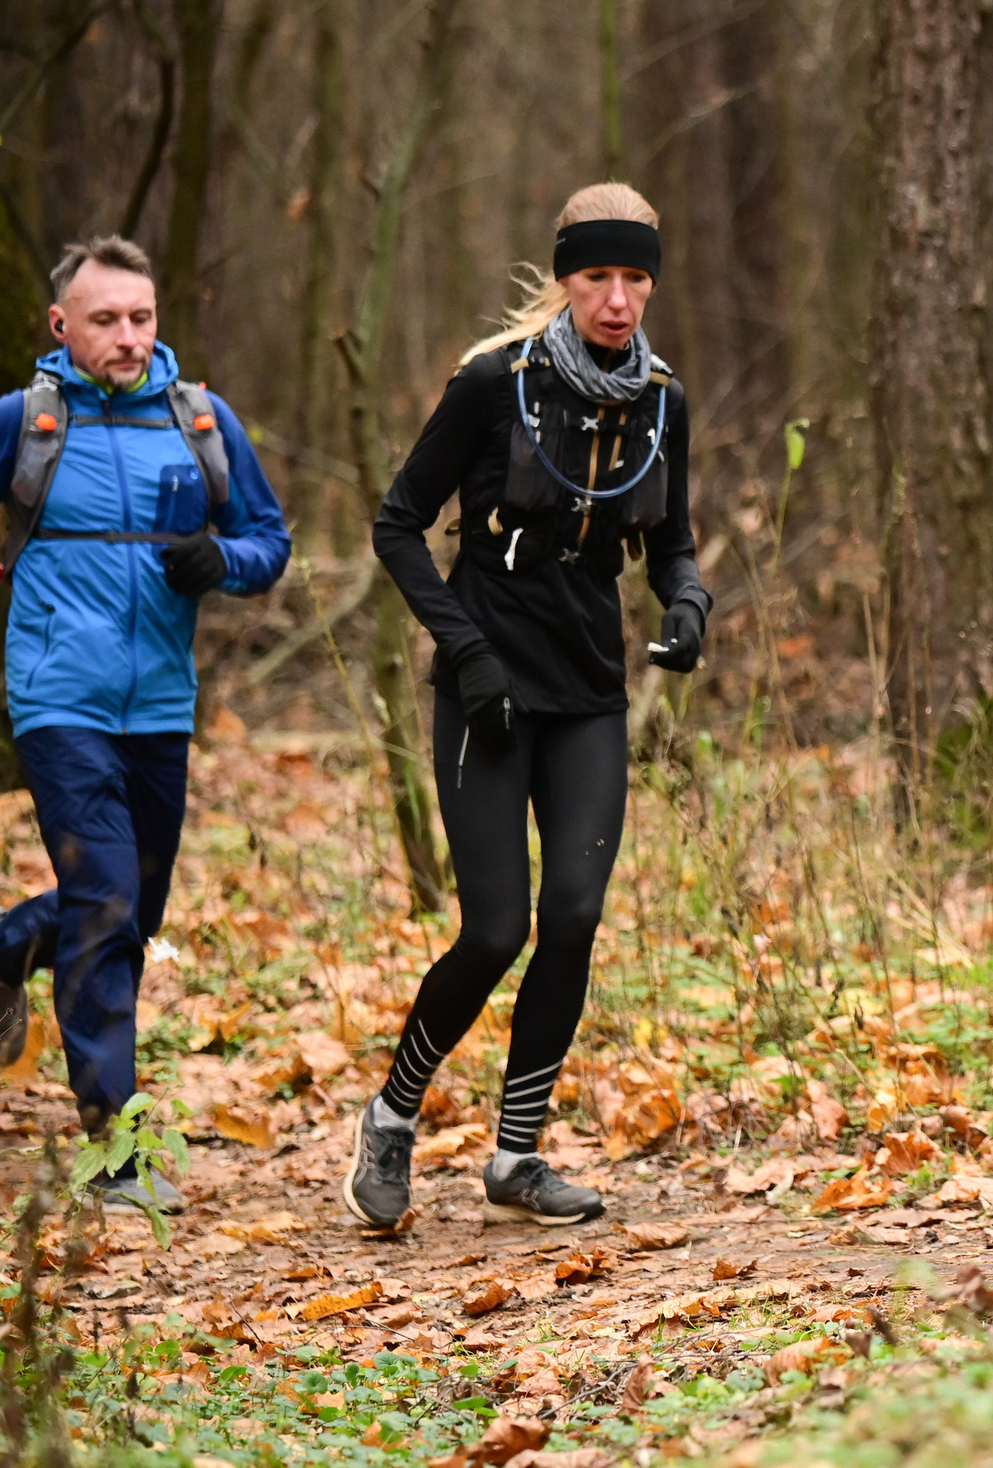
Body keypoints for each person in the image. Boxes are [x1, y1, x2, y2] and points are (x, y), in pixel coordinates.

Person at [0, 236, 291, 1211]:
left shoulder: (201, 419)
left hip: (160, 703)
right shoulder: (22, 423)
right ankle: (116, 1148)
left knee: (133, 910)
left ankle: (12, 943)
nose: (125, 336)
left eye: (141, 317)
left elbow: (268, 541)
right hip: (55, 697)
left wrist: (220, 565)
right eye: (104, 319)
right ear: (60, 326)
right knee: (108, 896)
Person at [342, 184, 708, 1231]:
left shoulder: (662, 401)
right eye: (598, 277)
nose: (619, 300)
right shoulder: (491, 385)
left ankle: (515, 1155)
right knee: (495, 927)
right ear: (564, 278)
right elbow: (399, 524)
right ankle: (392, 1117)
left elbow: (671, 538)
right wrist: (464, 652)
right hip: (488, 682)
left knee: (577, 917)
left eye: (636, 278)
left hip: (589, 685)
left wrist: (687, 600)